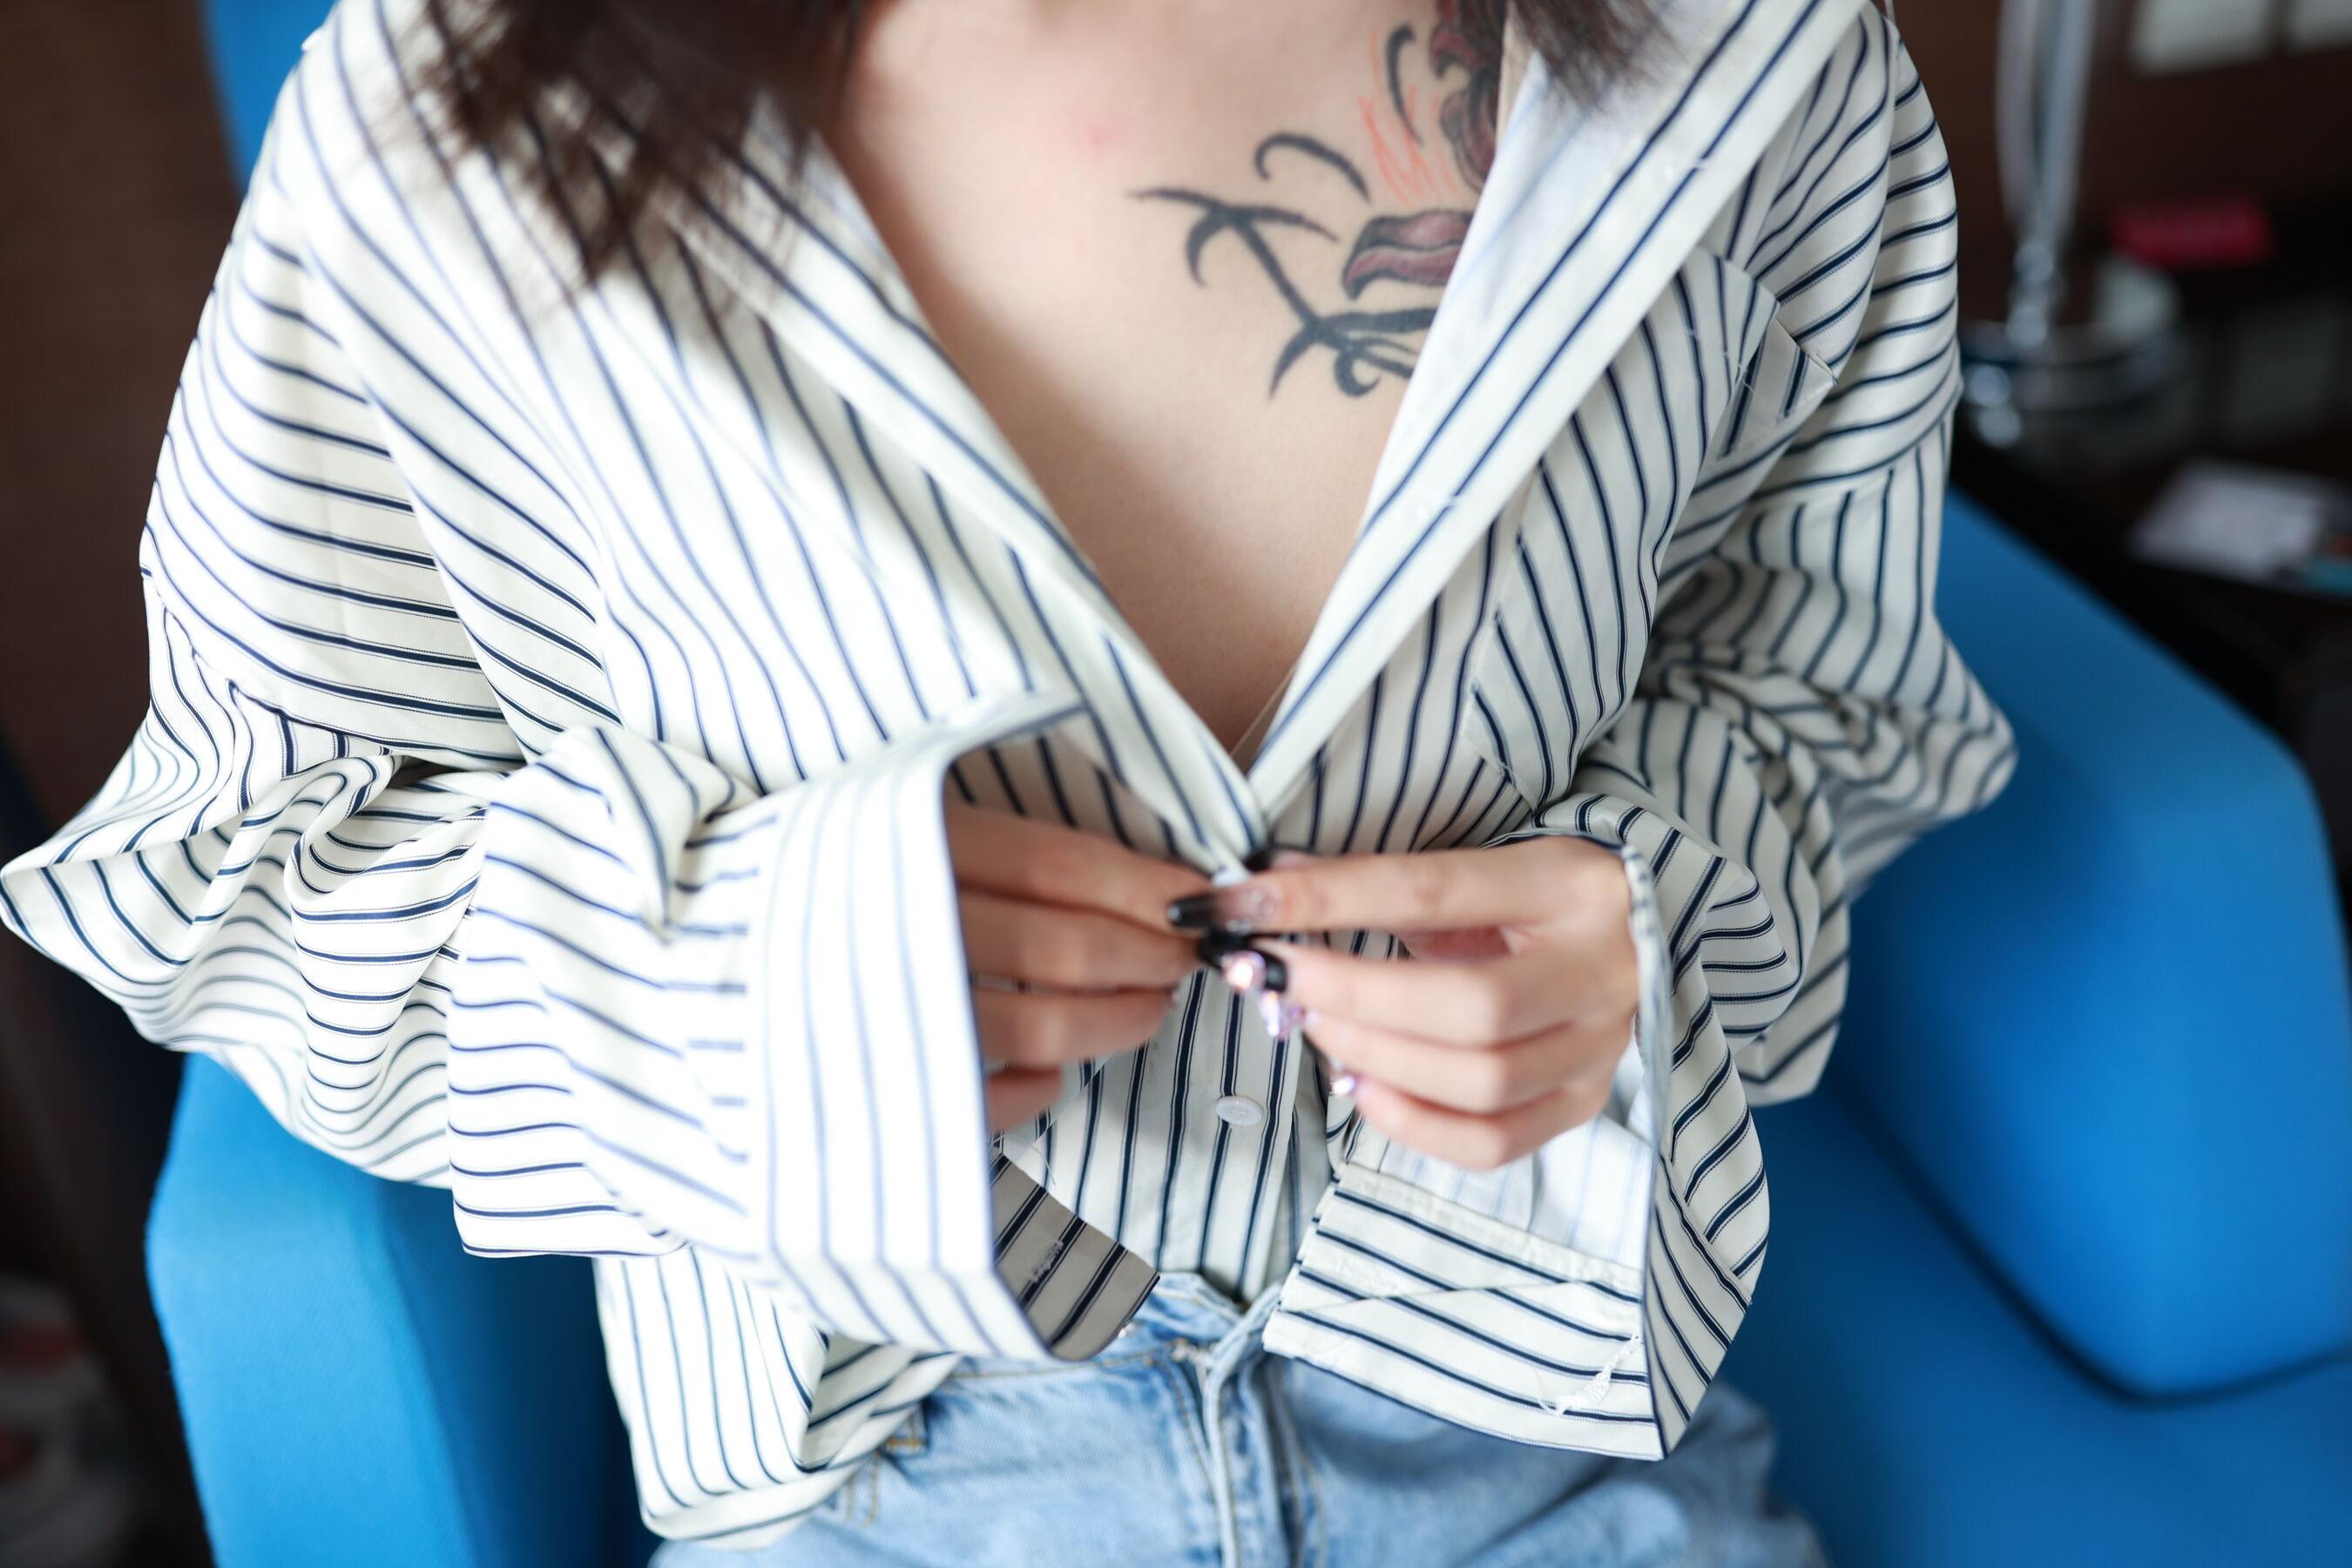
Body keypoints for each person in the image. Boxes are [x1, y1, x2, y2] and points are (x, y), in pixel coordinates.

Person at [0, 0, 2015, 1561]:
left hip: (1545, 1411)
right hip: (887, 1474)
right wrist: (740, 998)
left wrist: (1639, 933)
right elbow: (242, 864)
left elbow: (1827, 699)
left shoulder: (1761, 58)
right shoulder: (445, 132)